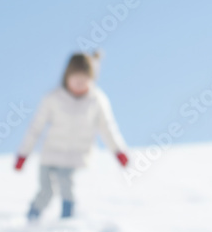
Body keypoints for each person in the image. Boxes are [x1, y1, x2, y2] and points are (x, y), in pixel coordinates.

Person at [15, 50, 130, 221]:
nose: (79, 84)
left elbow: (108, 128)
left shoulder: (97, 100)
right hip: (50, 154)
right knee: (46, 191)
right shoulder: (53, 98)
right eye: (75, 80)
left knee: (66, 185)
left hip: (75, 156)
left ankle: (66, 221)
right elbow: (35, 128)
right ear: (66, 77)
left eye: (84, 80)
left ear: (91, 79)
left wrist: (118, 151)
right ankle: (31, 219)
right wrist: (23, 154)